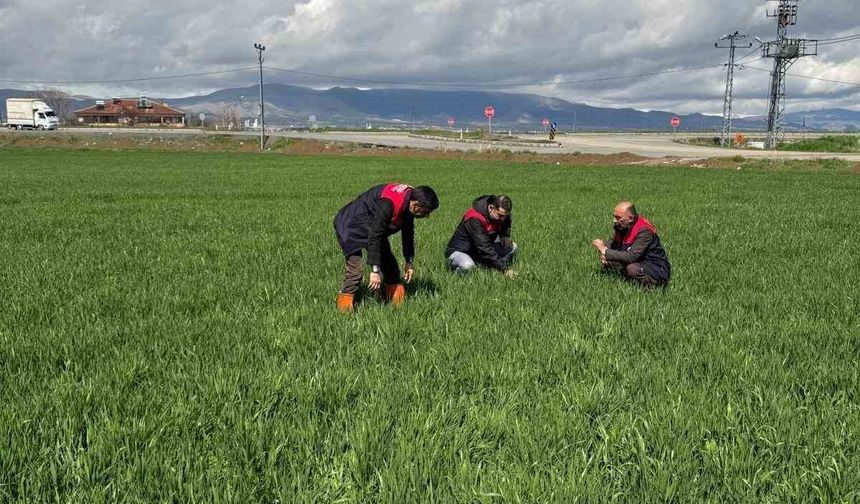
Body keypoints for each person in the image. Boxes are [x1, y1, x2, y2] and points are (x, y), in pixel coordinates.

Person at [334, 183, 439, 312]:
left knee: (391, 266)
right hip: (351, 225)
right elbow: (375, 235)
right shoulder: (389, 204)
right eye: (426, 212)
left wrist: (409, 262)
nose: (427, 216)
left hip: (373, 226)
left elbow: (408, 234)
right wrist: (375, 270)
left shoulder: (410, 201)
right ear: (415, 205)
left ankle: (396, 305)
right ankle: (344, 309)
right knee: (356, 270)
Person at [591, 201, 670, 287]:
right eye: (614, 217)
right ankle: (623, 279)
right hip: (639, 260)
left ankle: (651, 288)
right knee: (610, 258)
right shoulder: (623, 226)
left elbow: (632, 256)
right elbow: (614, 242)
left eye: (618, 217)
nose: (614, 220)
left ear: (630, 218)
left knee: (632, 269)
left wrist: (605, 251)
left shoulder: (644, 231)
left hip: (654, 267)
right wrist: (604, 251)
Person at [445, 195, 517, 276]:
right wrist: (505, 269)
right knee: (468, 266)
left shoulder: (501, 214)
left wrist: (504, 236)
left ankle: (486, 265)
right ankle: (456, 275)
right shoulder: (474, 218)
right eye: (500, 215)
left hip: (478, 252)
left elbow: (507, 221)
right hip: (460, 252)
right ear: (491, 208)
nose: (502, 219)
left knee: (512, 248)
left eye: (505, 216)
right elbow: (485, 248)